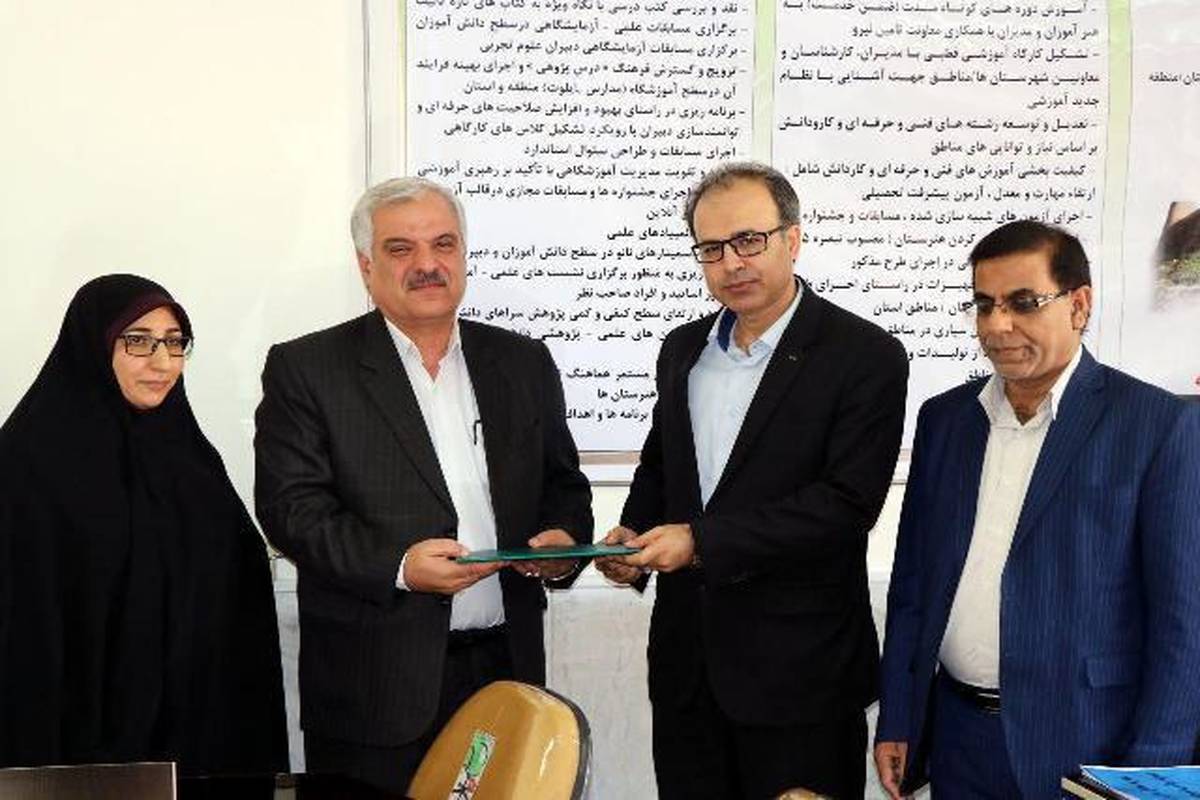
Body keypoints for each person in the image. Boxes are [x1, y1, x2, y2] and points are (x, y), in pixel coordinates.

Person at [254, 177, 593, 793]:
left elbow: (563, 486)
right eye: (401, 248)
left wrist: (562, 543)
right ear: (366, 266)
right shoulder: (308, 368)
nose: (428, 264)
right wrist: (400, 567)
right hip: (374, 686)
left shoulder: (523, 362)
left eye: (443, 244)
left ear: (463, 253)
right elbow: (292, 510)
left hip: (505, 671)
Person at [596, 162, 909, 798]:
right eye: (711, 249)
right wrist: (632, 537)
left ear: (792, 239)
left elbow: (845, 504)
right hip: (688, 672)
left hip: (801, 677)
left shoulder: (863, 354)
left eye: (748, 240)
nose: (731, 263)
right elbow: (663, 467)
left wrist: (700, 543)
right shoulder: (682, 349)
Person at [874, 220, 1200, 798]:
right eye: (984, 305)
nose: (997, 325)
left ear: (1079, 305)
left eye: (1024, 303)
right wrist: (899, 715)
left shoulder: (1157, 426)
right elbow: (914, 583)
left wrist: (1147, 775)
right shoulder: (945, 420)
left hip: (1087, 743)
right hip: (956, 736)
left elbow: (1183, 623)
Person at [0, 274, 288, 775]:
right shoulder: (27, 464)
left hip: (192, 736)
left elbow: (238, 600)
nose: (163, 362)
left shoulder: (193, 463)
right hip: (76, 744)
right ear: (95, 345)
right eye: (138, 341)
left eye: (175, 342)